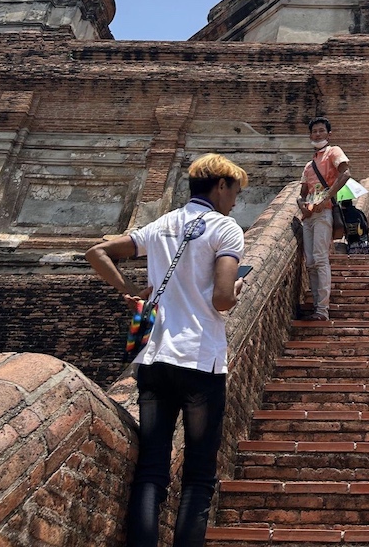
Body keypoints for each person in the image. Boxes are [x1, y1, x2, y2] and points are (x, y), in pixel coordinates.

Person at [85, 153, 248, 547]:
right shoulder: (225, 229)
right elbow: (223, 300)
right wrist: (238, 287)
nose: (236, 201)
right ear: (221, 186)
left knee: (152, 470)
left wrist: (129, 292)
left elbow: (97, 252)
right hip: (200, 361)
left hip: (154, 360)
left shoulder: (163, 224)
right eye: (235, 192)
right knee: (198, 476)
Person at [296, 116, 351, 320]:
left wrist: (326, 197)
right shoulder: (309, 165)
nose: (317, 134)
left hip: (324, 211)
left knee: (319, 258)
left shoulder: (333, 152)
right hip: (310, 216)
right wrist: (302, 205)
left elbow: (345, 174)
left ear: (329, 133)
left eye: (321, 130)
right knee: (310, 261)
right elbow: (302, 193)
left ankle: (322, 309)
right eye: (314, 131)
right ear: (310, 135)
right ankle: (317, 306)